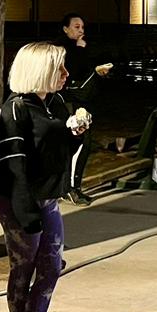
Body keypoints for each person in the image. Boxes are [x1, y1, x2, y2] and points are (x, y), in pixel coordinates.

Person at [0, 41, 90, 312]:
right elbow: (13, 164)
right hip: (19, 200)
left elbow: (57, 150)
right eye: (59, 68)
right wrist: (23, 209)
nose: (66, 74)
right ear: (40, 71)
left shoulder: (54, 104)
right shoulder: (16, 108)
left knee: (51, 264)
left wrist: (75, 135)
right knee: (24, 268)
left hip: (47, 198)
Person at [53, 14, 114, 205]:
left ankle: (70, 186)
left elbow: (85, 72)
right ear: (65, 29)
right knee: (79, 143)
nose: (81, 31)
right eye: (77, 27)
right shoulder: (64, 49)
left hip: (82, 101)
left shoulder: (79, 47)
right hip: (70, 102)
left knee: (81, 143)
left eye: (82, 27)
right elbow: (74, 72)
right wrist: (80, 51)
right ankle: (69, 188)